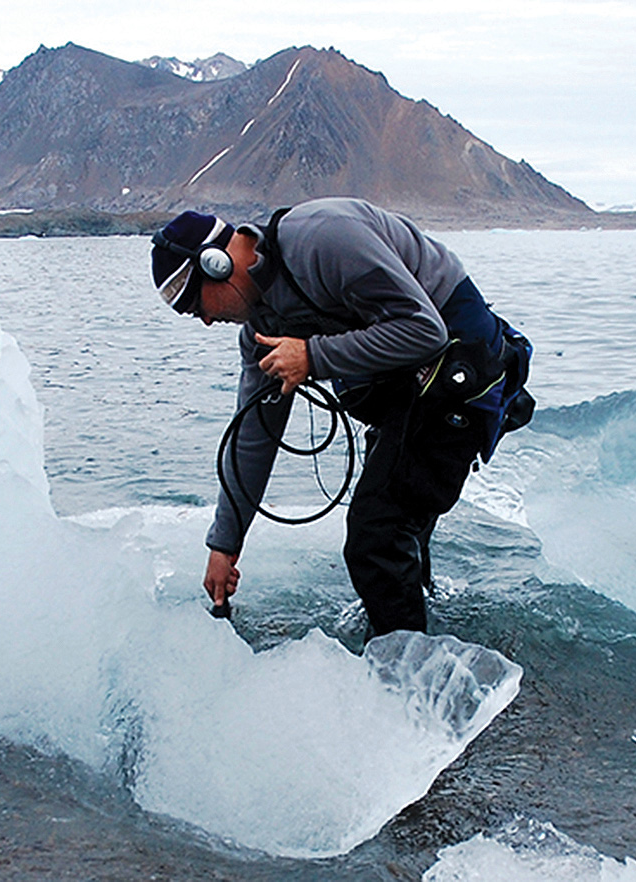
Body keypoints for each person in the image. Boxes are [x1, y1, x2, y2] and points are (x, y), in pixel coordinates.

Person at [150, 197, 531, 637]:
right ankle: (420, 635)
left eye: (195, 306)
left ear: (215, 264)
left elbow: (425, 330)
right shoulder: (262, 329)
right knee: (396, 520)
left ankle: (402, 685)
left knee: (376, 537)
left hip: (461, 366)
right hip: (412, 385)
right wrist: (225, 544)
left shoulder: (324, 239)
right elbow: (254, 434)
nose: (204, 320)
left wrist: (312, 356)